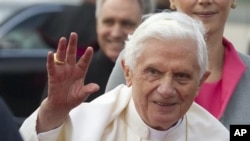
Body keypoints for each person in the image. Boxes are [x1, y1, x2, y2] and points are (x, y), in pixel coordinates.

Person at [19, 11, 229, 141]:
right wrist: (52, 112)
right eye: (153, 72)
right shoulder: (89, 124)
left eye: (182, 76)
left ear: (200, 82)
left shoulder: (216, 135)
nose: (166, 89)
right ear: (128, 72)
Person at [105, 0, 250, 129]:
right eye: (154, 72)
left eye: (181, 75)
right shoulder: (136, 59)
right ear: (172, 1)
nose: (204, 1)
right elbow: (108, 126)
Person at [83, 0, 155, 101]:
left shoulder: (158, 78)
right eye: (108, 22)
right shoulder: (78, 78)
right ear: (97, 24)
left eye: (126, 24)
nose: (116, 33)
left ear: (145, 27)